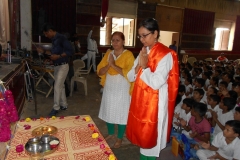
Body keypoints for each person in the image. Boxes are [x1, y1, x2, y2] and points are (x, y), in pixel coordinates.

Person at [126, 18, 179, 159]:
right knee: (142, 140)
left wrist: (144, 67)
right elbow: (130, 76)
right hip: (140, 101)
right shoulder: (144, 51)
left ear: (155, 33)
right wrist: (139, 65)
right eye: (140, 36)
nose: (142, 39)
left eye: (145, 35)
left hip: (155, 105)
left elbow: (156, 83)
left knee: (150, 143)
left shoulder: (166, 54)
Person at [97, 31, 135, 148]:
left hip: (122, 87)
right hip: (110, 86)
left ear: (123, 41)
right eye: (113, 40)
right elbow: (99, 71)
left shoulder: (128, 55)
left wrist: (113, 65)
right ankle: (111, 133)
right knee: (109, 109)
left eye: (117, 40)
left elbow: (129, 74)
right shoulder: (109, 53)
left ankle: (119, 138)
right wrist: (109, 65)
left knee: (121, 112)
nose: (115, 42)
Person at [37, 23, 73, 116]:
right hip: (57, 65)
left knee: (57, 86)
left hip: (63, 65)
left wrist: (59, 56)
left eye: (46, 33)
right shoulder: (54, 40)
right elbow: (53, 53)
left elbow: (70, 51)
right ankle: (64, 104)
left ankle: (56, 107)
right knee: (61, 86)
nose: (46, 35)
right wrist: (44, 52)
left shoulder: (62, 38)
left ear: (50, 31)